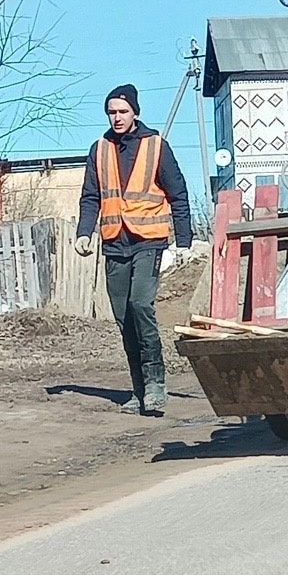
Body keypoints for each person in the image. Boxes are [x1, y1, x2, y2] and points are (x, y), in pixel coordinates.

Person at [75, 84, 193, 415]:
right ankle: (139, 390)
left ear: (135, 113)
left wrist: (183, 242)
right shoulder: (99, 149)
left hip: (149, 240)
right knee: (124, 317)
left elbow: (179, 194)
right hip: (115, 242)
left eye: (122, 111)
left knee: (141, 304)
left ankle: (156, 385)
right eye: (112, 112)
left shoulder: (156, 146)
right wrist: (84, 232)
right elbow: (90, 196)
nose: (117, 117)